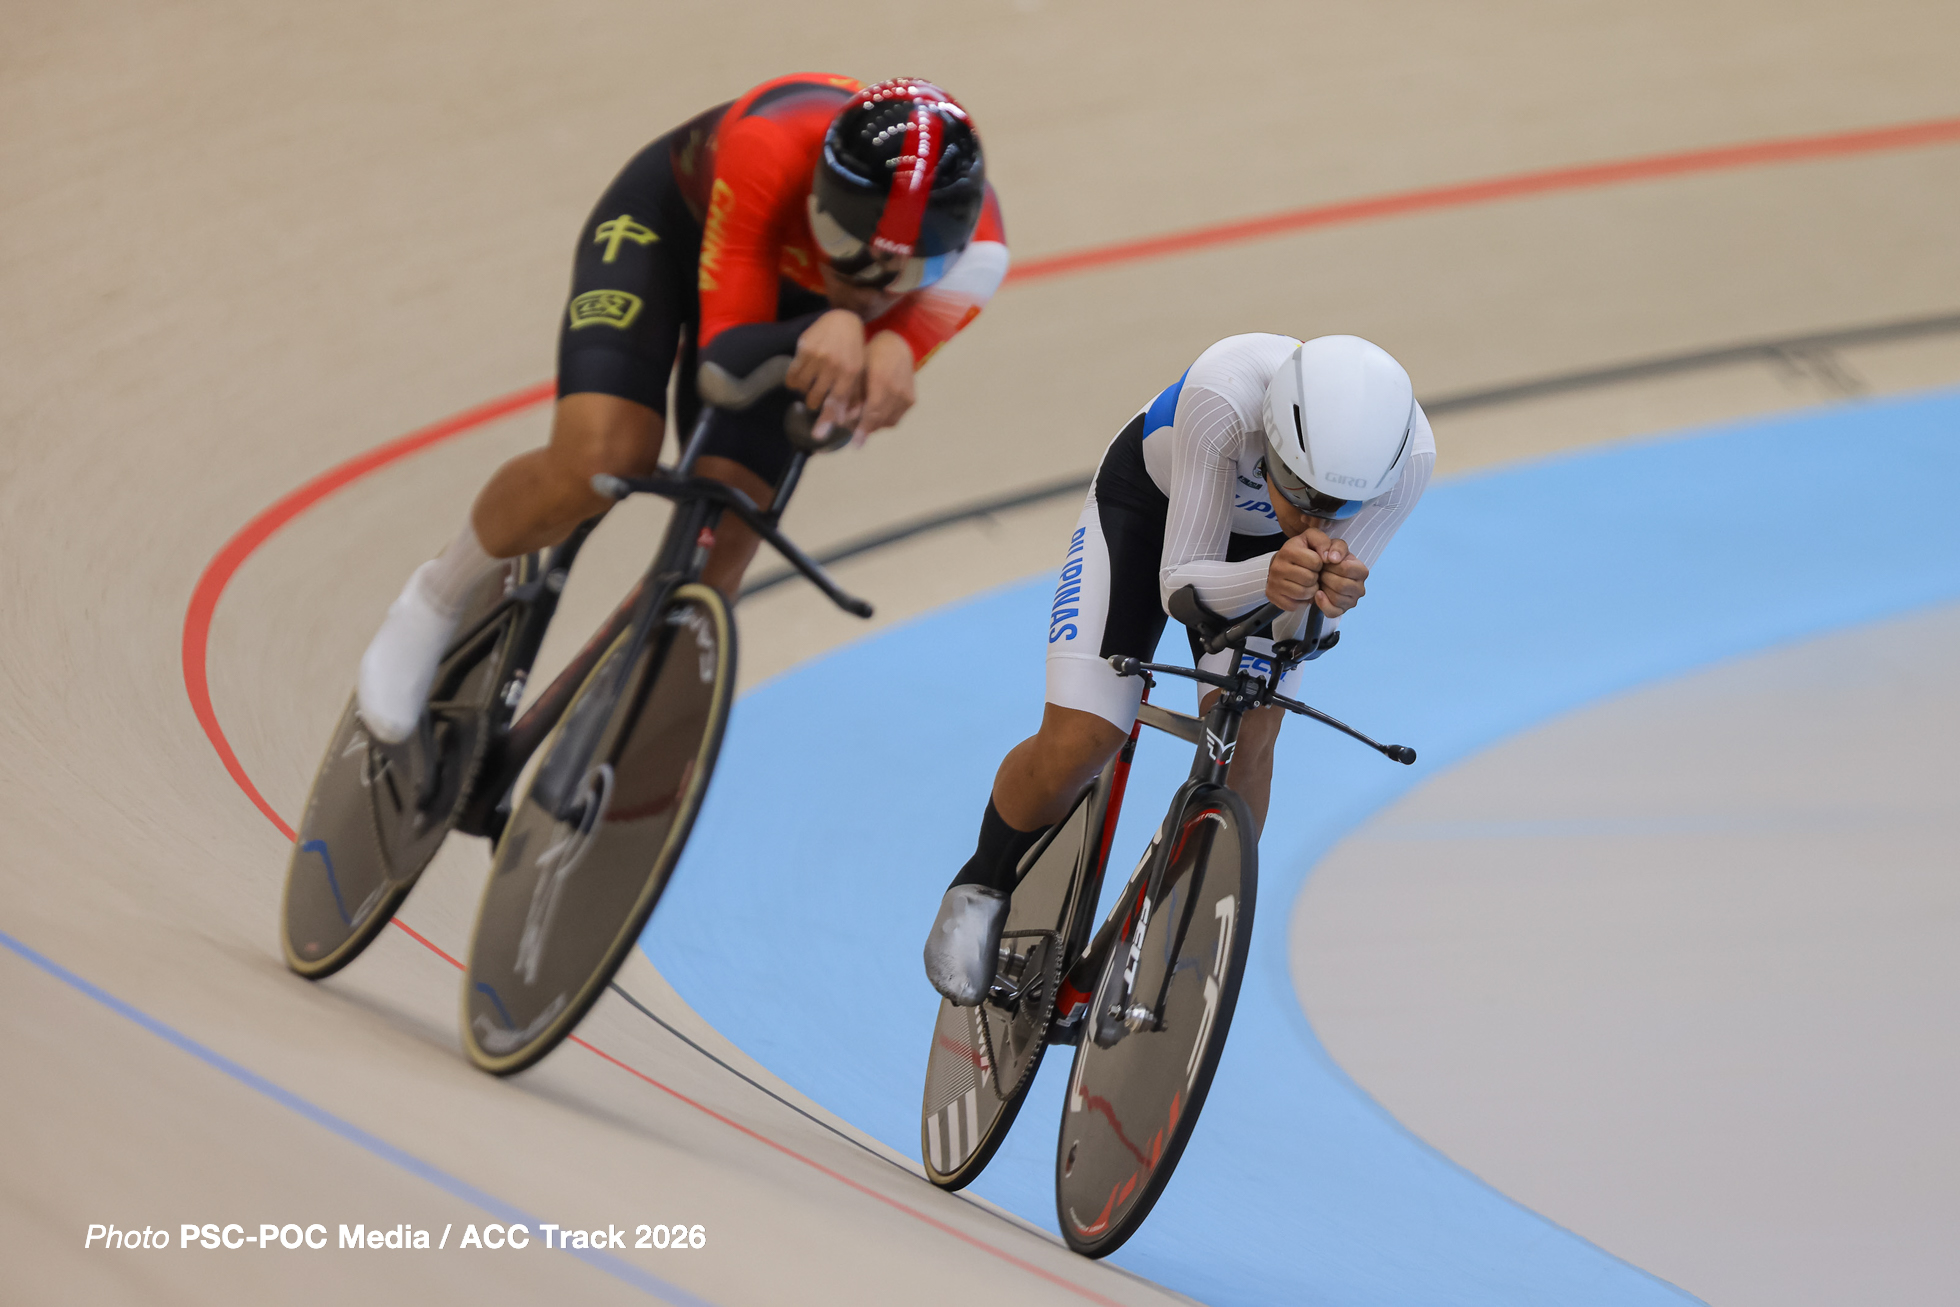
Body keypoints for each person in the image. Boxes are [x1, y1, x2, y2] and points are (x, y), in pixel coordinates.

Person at [356, 75, 1009, 744]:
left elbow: (835, 407)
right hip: (676, 234)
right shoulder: (768, 144)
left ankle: (610, 750)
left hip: (800, 315)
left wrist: (880, 364)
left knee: (725, 539)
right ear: (817, 192)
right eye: (844, 245)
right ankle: (434, 595)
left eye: (904, 277)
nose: (866, 286)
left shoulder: (977, 263)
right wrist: (843, 326)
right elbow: (723, 366)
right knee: (602, 458)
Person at [923, 333, 1435, 1006]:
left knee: (1251, 743)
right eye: (1300, 488)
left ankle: (1181, 931)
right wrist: (1270, 573)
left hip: (1266, 562)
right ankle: (983, 879)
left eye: (1336, 505)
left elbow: (1304, 632)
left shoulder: (1408, 461)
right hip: (1153, 511)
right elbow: (1179, 586)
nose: (1313, 514)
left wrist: (1323, 606)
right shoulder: (1224, 394)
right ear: (1273, 439)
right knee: (1085, 735)